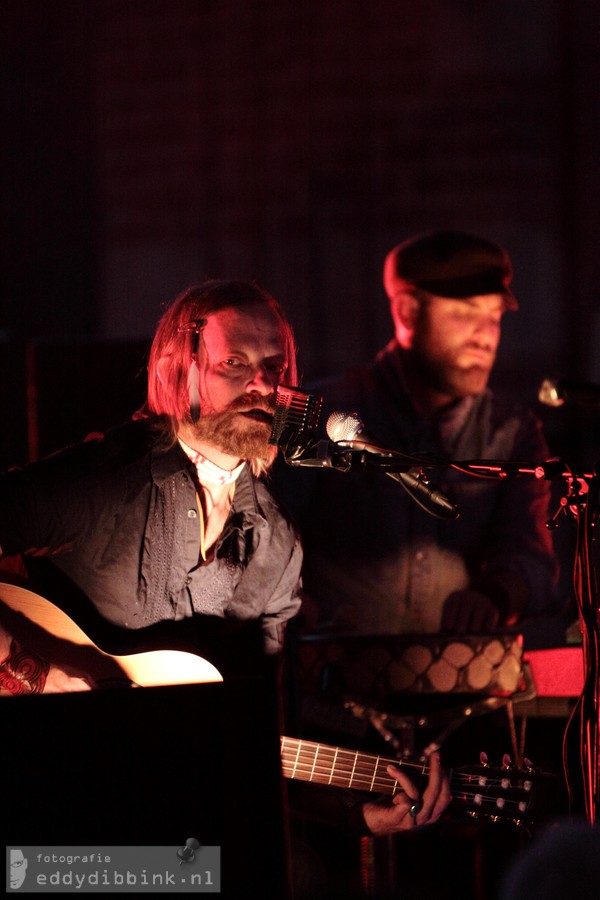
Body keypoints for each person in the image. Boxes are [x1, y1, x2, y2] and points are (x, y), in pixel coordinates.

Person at [0, 279, 450, 858]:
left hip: (171, 844)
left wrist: (357, 814)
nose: (261, 384)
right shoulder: (106, 477)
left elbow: (252, 736)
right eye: (233, 363)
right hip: (46, 828)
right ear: (177, 369)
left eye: (274, 365)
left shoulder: (278, 543)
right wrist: (37, 672)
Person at [272, 230, 560, 641]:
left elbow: (532, 558)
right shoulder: (322, 412)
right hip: (333, 685)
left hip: (465, 694)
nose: (485, 335)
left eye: (494, 316)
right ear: (407, 312)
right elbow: (264, 535)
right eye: (465, 313)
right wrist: (290, 603)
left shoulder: (513, 433)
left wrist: (496, 594)